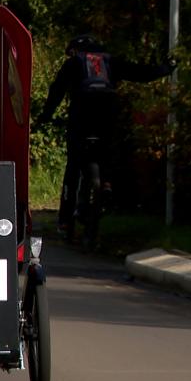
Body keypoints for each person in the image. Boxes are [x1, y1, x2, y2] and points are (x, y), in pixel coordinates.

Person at [37, 33, 174, 236]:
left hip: (82, 112)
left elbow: (56, 91)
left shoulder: (73, 63)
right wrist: (166, 68)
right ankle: (107, 183)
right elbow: (139, 73)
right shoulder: (110, 61)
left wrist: (45, 117)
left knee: (73, 165)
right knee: (107, 147)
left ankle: (65, 221)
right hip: (107, 111)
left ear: (75, 50)